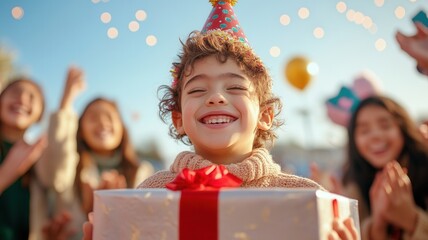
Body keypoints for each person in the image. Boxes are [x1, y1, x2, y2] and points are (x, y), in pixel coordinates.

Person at [83, 1, 358, 239]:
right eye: (198, 89)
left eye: (235, 88)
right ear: (178, 118)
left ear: (264, 115)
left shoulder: (307, 198)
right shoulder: (151, 193)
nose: (215, 98)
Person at [43, 67, 154, 240]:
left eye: (109, 117)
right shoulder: (70, 171)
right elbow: (58, 155)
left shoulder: (144, 173)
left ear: (122, 129)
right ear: (79, 131)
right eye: (93, 118)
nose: (102, 122)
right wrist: (65, 102)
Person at [341, 95, 428, 239]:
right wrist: (377, 225)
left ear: (403, 128)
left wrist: (412, 220)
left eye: (385, 126)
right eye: (364, 131)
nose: (375, 135)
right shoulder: (352, 186)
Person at [0, 77, 52, 239]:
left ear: (40, 114)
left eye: (31, 97)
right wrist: (5, 174)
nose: (22, 99)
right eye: (15, 92)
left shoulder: (40, 158)